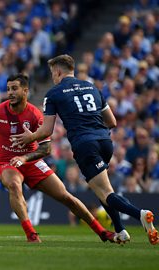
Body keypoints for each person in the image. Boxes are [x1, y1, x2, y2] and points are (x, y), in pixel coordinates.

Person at [11, 54, 158, 245]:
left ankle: (140, 214)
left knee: (105, 192)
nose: (53, 77)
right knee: (104, 189)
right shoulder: (93, 88)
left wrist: (29, 137)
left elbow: (47, 130)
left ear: (57, 71)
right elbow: (112, 122)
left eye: (52, 73)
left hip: (84, 144)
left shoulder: (54, 93)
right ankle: (121, 230)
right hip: (105, 142)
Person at [0, 74, 116, 243]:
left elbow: (46, 148)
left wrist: (24, 158)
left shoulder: (35, 115)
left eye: (14, 88)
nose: (10, 92)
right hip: (7, 163)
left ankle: (101, 232)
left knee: (65, 196)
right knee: (14, 186)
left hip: (32, 162)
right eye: (8, 89)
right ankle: (31, 234)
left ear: (25, 91)